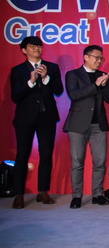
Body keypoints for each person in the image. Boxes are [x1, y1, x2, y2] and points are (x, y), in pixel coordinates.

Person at [10, 36, 63, 209]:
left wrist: (46, 77)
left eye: (39, 46)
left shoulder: (52, 68)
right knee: (22, 155)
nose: (37, 49)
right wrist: (31, 82)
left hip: (47, 117)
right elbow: (15, 96)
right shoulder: (18, 70)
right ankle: (19, 194)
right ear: (24, 50)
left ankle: (42, 191)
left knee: (46, 154)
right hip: (25, 118)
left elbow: (59, 90)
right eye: (32, 46)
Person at [63, 45, 109, 209]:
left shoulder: (102, 76)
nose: (99, 61)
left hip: (98, 125)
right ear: (86, 57)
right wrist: (95, 86)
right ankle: (76, 196)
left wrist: (104, 85)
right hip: (77, 125)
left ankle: (97, 194)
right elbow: (74, 95)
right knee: (77, 162)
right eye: (96, 57)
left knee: (99, 161)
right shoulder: (73, 74)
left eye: (101, 58)